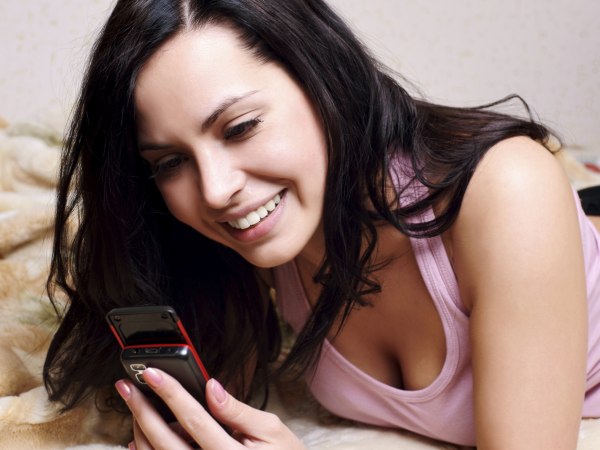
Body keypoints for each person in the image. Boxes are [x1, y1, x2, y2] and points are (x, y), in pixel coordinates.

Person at [42, 0, 600, 448]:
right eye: (169, 162)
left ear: (323, 78)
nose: (214, 190)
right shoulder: (247, 243)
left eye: (240, 127)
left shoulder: (509, 188)